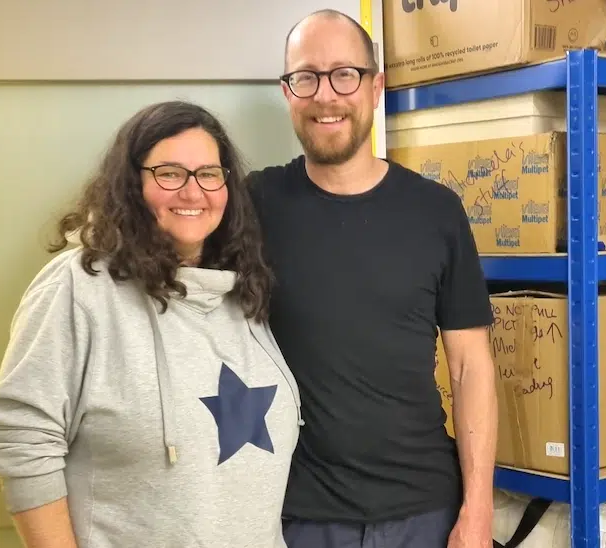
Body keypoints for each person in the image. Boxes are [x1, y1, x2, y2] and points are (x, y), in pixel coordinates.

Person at [0, 101, 302, 548]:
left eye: (209, 173)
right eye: (169, 173)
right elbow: (23, 440)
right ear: (132, 182)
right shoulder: (78, 286)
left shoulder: (240, 289)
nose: (193, 192)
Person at [247, 9, 498, 548]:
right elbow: (168, 240)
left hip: (426, 510)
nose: (325, 95)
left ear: (376, 86)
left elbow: (470, 366)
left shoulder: (436, 212)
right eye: (306, 77)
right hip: (298, 515)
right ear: (287, 92)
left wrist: (478, 511)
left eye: (345, 74)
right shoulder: (254, 206)